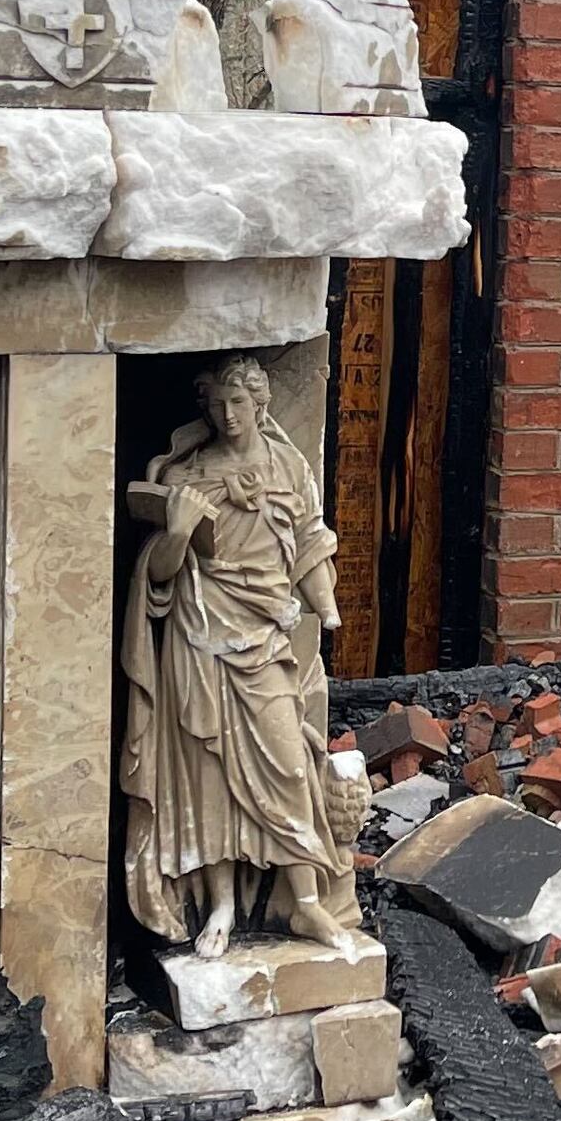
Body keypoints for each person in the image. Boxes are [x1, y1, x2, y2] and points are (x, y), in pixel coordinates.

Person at [119, 354, 364, 953]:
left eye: (239, 404)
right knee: (209, 779)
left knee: (288, 764)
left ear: (260, 405)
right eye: (218, 405)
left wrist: (327, 607)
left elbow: (310, 543)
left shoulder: (288, 465)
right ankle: (222, 907)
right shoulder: (186, 473)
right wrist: (178, 531)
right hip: (199, 635)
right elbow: (161, 573)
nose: (228, 416)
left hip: (265, 637)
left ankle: (306, 904)